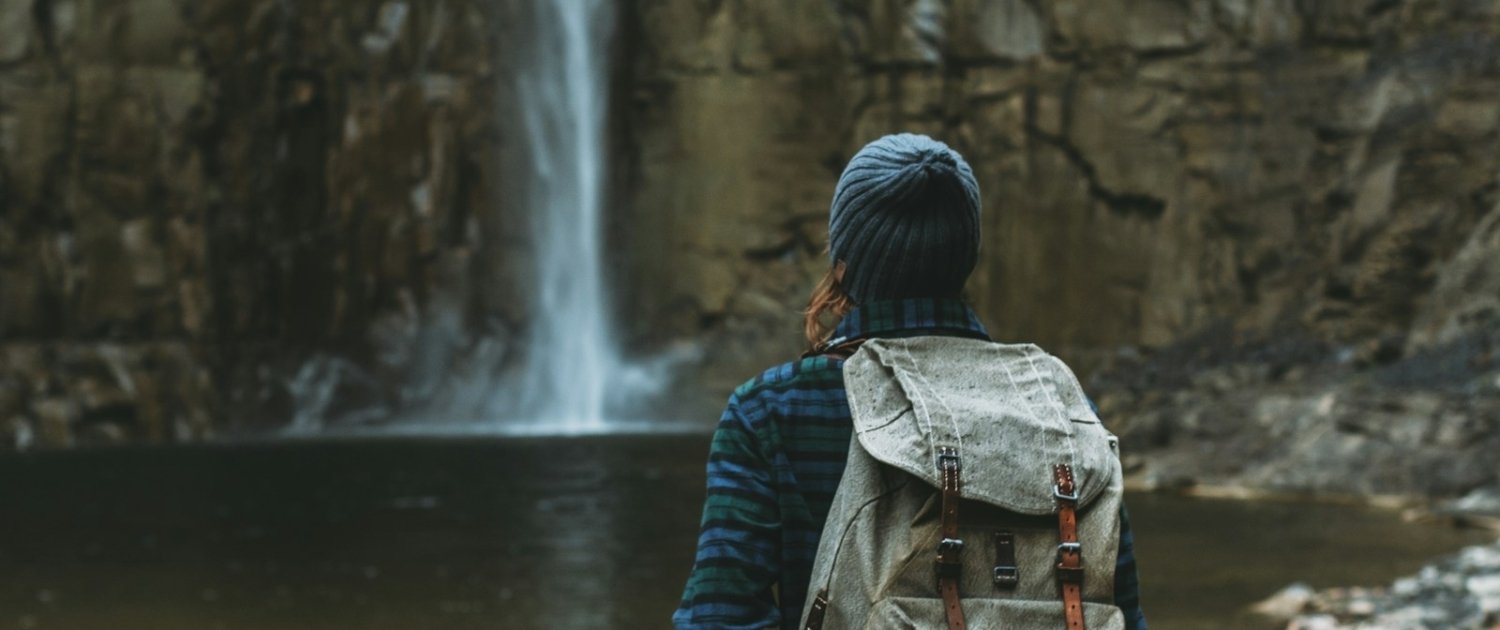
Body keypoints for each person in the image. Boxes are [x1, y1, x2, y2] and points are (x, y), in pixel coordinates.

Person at [672, 133, 1145, 630]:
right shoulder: (1061, 411)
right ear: (967, 257)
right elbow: (1123, 610)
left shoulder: (771, 411)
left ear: (843, 263)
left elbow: (717, 618)